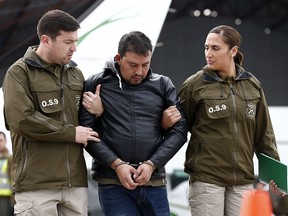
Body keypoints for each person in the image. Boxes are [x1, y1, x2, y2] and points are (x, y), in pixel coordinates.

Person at [79, 31, 188, 216]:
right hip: (113, 183)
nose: (139, 72)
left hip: (154, 181)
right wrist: (117, 164)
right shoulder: (97, 84)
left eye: (145, 65)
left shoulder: (163, 84)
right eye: (133, 65)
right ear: (118, 58)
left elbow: (179, 132)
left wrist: (153, 164)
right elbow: (86, 133)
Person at [2, 9, 99, 216]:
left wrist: (98, 110)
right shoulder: (19, 73)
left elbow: (85, 121)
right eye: (67, 42)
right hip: (36, 186)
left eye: (75, 41)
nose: (74, 48)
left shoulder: (76, 74)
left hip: (75, 184)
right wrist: (71, 133)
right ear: (46, 40)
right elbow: (22, 120)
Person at [178, 25, 280, 216]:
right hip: (206, 180)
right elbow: (178, 130)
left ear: (233, 51)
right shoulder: (194, 85)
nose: (209, 53)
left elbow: (264, 135)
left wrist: (276, 176)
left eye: (215, 48)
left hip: (243, 180)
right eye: (206, 47)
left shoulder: (253, 85)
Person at [0, 131, 13, 216]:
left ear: (6, 141)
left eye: (0, 140)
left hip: (5, 198)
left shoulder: (10, 158)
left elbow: (13, 179)